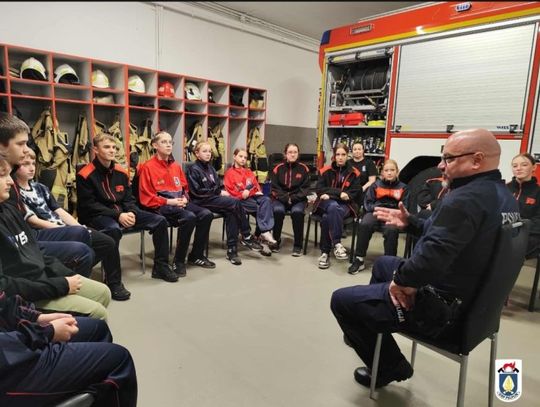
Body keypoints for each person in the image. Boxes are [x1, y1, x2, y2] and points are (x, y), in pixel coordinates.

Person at [330, 129, 520, 390]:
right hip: (480, 310)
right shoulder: (503, 195)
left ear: (477, 160)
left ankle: (389, 367)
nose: (440, 165)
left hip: (443, 314)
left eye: (448, 158)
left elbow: (429, 260)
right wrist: (411, 223)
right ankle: (373, 329)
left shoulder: (464, 199)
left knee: (342, 301)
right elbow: (451, 237)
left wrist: (401, 283)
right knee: (384, 264)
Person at [0, 157, 111, 319]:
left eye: (9, 174)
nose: (10, 181)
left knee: (103, 292)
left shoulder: (11, 209)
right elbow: (7, 286)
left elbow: (35, 252)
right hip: (26, 295)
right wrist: (61, 285)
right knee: (98, 312)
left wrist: (65, 275)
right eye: (2, 175)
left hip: (41, 278)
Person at [14, 149, 131, 301]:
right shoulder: (15, 192)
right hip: (44, 231)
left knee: (107, 242)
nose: (31, 168)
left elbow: (59, 210)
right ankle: (74, 282)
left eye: (33, 164)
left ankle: (92, 278)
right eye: (25, 164)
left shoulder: (40, 187)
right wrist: (66, 230)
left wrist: (77, 226)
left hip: (62, 227)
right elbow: (33, 220)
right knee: (84, 248)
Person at [0, 291, 137, 406]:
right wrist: (47, 332)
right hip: (9, 366)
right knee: (119, 359)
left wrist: (36, 318)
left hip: (13, 339)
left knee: (98, 329)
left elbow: (3, 305)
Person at [0, 112, 94, 278]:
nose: (26, 150)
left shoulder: (21, 178)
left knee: (83, 234)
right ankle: (65, 284)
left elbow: (56, 209)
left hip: (26, 237)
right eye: (20, 144)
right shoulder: (8, 180)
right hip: (22, 242)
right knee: (83, 252)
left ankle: (73, 281)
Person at [77, 132, 179, 283]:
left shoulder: (121, 172)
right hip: (97, 216)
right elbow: (89, 205)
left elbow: (129, 199)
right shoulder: (85, 174)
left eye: (114, 147)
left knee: (160, 221)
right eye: (106, 147)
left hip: (123, 212)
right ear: (96, 150)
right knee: (112, 230)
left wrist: (131, 212)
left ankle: (161, 267)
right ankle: (113, 281)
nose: (112, 150)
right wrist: (118, 215)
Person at [137, 131, 215, 277]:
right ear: (155, 145)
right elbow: (146, 198)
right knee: (189, 217)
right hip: (160, 205)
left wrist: (185, 198)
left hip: (179, 203)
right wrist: (169, 201)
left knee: (206, 214)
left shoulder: (176, 166)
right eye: (164, 142)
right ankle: (178, 261)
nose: (168, 145)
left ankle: (196, 255)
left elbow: (185, 188)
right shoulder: (147, 167)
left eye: (170, 142)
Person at [186, 141, 262, 265]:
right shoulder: (193, 169)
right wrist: (218, 192)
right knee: (235, 203)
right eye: (204, 151)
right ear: (197, 154)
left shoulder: (211, 168)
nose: (208, 154)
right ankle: (247, 235)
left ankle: (232, 251)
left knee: (231, 211)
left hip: (213, 199)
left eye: (209, 151)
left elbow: (218, 185)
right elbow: (196, 192)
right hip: (201, 201)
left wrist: (219, 191)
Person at [348, 159, 408, 274]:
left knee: (391, 230)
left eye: (392, 170)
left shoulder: (404, 188)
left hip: (393, 215)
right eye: (386, 170)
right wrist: (377, 209)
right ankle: (359, 259)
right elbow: (367, 203)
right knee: (365, 224)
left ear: (397, 172)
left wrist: (394, 212)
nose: (389, 173)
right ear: (382, 173)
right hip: (375, 212)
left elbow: (405, 206)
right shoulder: (375, 185)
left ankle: (389, 263)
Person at [313, 143, 361, 269]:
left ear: (347, 156)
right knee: (333, 207)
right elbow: (320, 189)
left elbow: (355, 192)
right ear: (334, 156)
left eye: (343, 154)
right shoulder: (324, 170)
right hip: (325, 203)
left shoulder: (354, 173)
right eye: (338, 154)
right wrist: (340, 193)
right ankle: (337, 243)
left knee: (327, 217)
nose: (340, 157)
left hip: (345, 205)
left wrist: (331, 194)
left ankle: (325, 253)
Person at [224, 147, 277, 255]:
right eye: (240, 156)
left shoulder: (248, 172)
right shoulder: (229, 173)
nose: (243, 159)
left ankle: (264, 232)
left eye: (245, 157)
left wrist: (248, 191)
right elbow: (231, 191)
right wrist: (242, 194)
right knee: (261, 209)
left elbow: (256, 186)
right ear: (234, 157)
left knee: (266, 200)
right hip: (239, 200)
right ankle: (260, 237)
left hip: (251, 197)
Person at [270, 143, 311, 256]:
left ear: (298, 154)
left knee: (297, 212)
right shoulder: (278, 169)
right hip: (281, 199)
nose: (293, 155)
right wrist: (285, 198)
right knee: (278, 211)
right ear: (285, 154)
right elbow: (274, 187)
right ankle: (275, 241)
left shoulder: (304, 169)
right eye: (290, 152)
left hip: (298, 200)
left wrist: (293, 198)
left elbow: (305, 188)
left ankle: (298, 245)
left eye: (295, 152)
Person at [507, 152, 540, 258]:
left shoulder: (538, 192)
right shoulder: (504, 189)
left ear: (534, 167)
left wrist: (519, 229)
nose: (519, 168)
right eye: (515, 166)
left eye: (524, 165)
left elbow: (538, 220)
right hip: (503, 236)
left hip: (527, 240)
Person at [348, 140, 378, 206]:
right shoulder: (348, 163)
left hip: (364, 189)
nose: (357, 151)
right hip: (350, 190)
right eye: (355, 149)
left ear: (363, 150)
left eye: (359, 149)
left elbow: (372, 180)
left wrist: (362, 189)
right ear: (352, 151)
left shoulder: (369, 163)